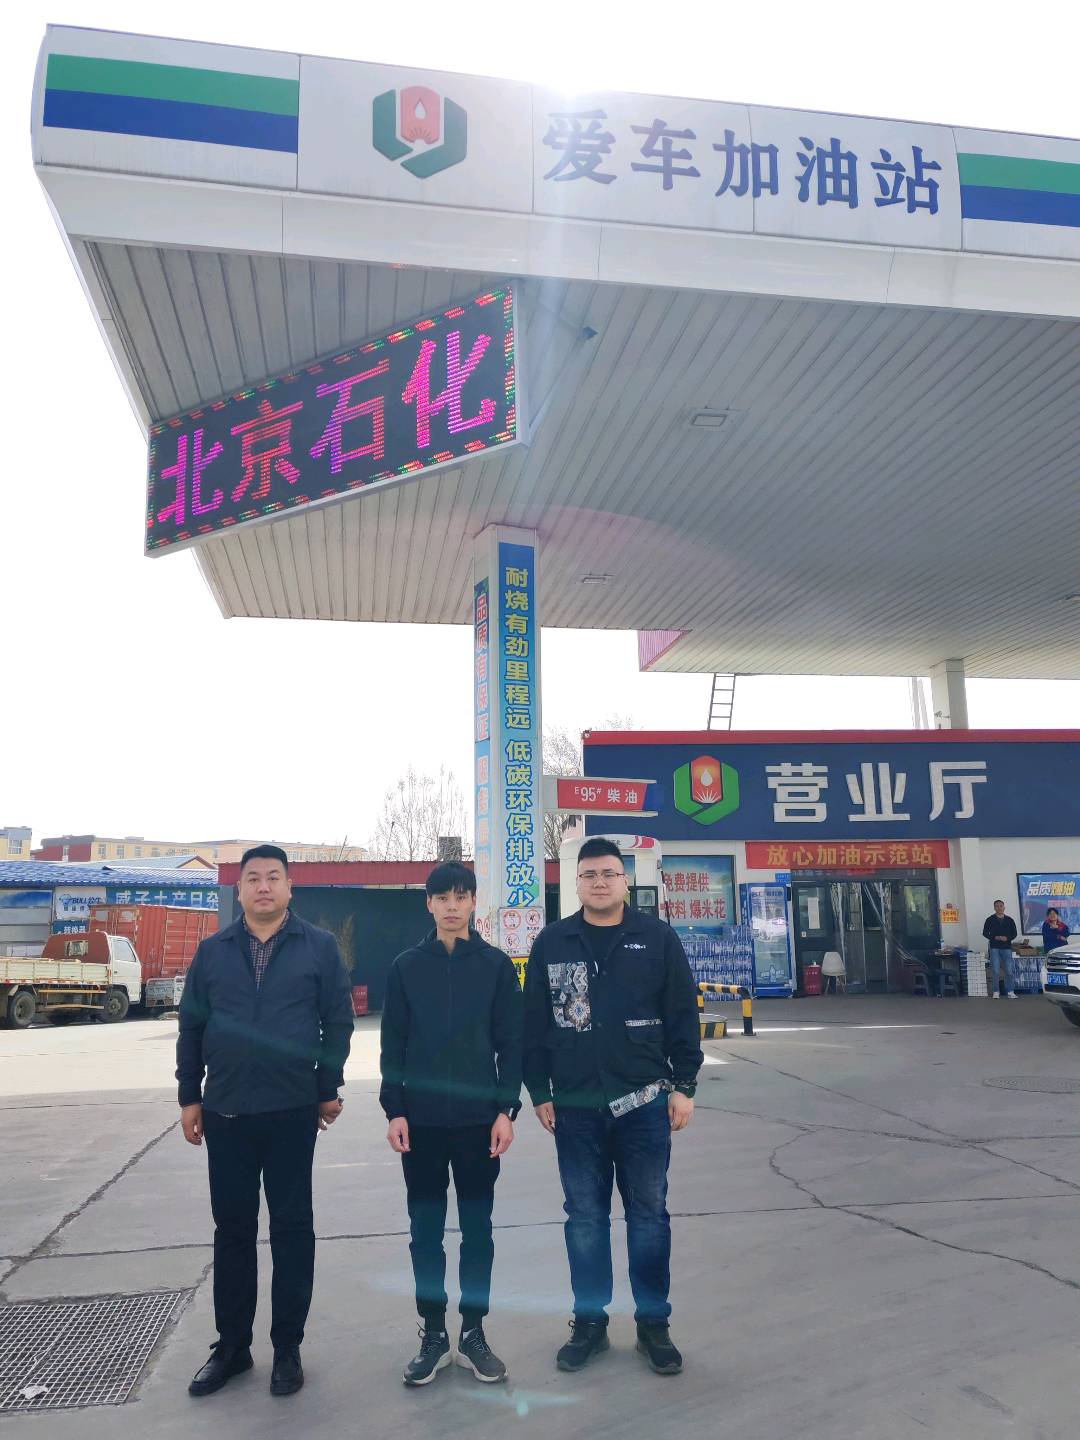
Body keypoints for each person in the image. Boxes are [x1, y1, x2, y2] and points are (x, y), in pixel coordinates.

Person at [176, 844, 353, 1399]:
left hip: (291, 1111)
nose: (263, 887)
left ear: (289, 887)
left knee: (292, 1229)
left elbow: (338, 1022)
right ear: (240, 889)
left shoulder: (318, 947)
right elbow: (191, 1027)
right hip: (226, 1111)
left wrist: (325, 1087)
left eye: (274, 877)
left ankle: (287, 1348)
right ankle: (232, 1348)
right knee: (232, 1231)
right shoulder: (213, 952)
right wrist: (189, 1095)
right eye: (253, 878)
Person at [523, 837, 703, 1377]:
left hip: (644, 1102)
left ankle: (653, 1326)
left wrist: (685, 1085)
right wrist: (540, 1090)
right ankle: (590, 1324)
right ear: (576, 883)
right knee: (584, 1218)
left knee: (648, 1216)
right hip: (575, 1106)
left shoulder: (657, 938)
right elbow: (533, 1022)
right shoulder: (553, 942)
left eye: (608, 874)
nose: (599, 883)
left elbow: (682, 1013)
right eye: (589, 875)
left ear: (625, 881)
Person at [380, 861, 523, 1387]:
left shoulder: (495, 966)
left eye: (461, 896)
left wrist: (506, 1110)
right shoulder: (406, 967)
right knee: (425, 1232)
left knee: (478, 1231)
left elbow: (512, 1044)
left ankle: (474, 1334)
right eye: (442, 898)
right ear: (429, 904)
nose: (452, 906)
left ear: (474, 902)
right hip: (419, 1124)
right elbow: (392, 1045)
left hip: (478, 1124)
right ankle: (434, 1334)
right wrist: (395, 1109)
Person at [982, 899, 1019, 998]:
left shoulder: (1009, 920)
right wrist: (994, 937)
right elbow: (985, 933)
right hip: (994, 947)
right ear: (994, 908)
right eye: (997, 906)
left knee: (1009, 970)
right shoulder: (990, 919)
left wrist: (1007, 938)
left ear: (1004, 907)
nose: (999, 908)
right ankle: (996, 991)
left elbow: (1014, 933)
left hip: (1006, 947)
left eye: (1001, 906)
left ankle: (1010, 991)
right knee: (995, 970)